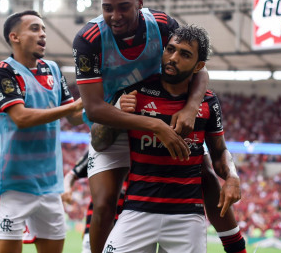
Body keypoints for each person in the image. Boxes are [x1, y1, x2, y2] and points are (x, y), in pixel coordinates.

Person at [73, 0, 245, 253]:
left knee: (204, 173)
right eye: (107, 8)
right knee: (104, 203)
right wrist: (155, 127)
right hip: (113, 117)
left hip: (162, 109)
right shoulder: (88, 39)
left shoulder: (163, 25)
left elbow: (200, 70)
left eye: (124, 7)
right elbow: (94, 109)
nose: (115, 15)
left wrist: (190, 107)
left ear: (139, 2)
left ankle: (236, 246)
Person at [102, 24, 241, 252]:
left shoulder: (208, 103)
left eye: (184, 54)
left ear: (199, 66)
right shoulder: (135, 92)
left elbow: (219, 152)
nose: (173, 58)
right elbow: (99, 141)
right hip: (137, 210)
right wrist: (117, 111)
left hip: (186, 217)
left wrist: (232, 176)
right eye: (170, 49)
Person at [0, 10, 84, 253]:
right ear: (15, 37)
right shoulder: (3, 71)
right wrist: (73, 107)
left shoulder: (52, 69)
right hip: (13, 186)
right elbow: (20, 117)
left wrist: (99, 98)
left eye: (43, 29)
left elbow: (74, 117)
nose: (42, 34)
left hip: (51, 187)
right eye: (34, 28)